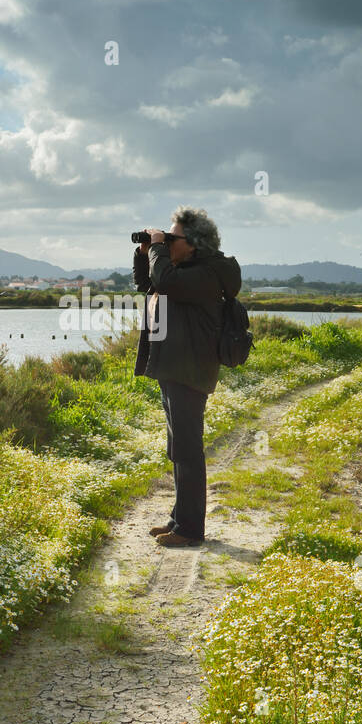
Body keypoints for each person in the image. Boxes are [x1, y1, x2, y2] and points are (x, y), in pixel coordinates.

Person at [132, 206, 242, 547]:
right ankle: (180, 519)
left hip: (189, 368)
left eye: (171, 238)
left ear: (193, 244)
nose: (164, 243)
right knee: (178, 447)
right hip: (173, 365)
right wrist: (145, 252)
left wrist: (159, 250)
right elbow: (146, 282)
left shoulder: (206, 274)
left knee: (188, 449)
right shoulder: (183, 269)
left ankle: (191, 530)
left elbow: (165, 281)